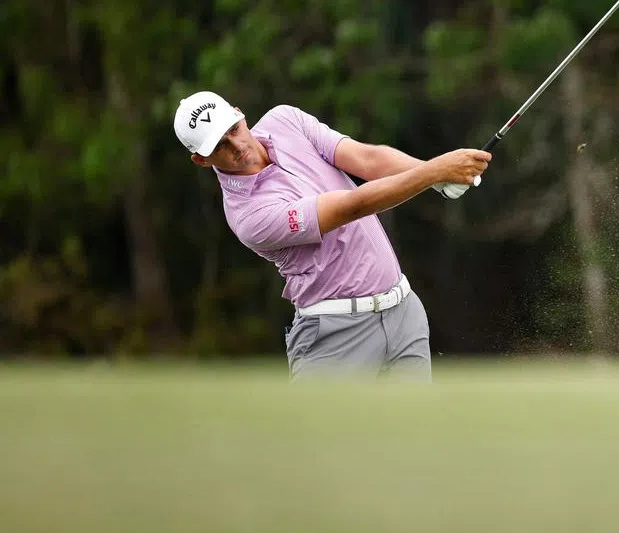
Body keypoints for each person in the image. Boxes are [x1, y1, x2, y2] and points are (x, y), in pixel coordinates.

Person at [173, 90, 491, 381]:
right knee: (326, 443)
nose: (237, 146)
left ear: (240, 114)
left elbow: (367, 159)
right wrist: (435, 171)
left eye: (234, 130)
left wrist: (440, 177)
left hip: (404, 314)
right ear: (201, 159)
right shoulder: (248, 215)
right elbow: (353, 206)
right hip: (334, 335)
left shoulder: (285, 121)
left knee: (414, 438)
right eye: (219, 146)